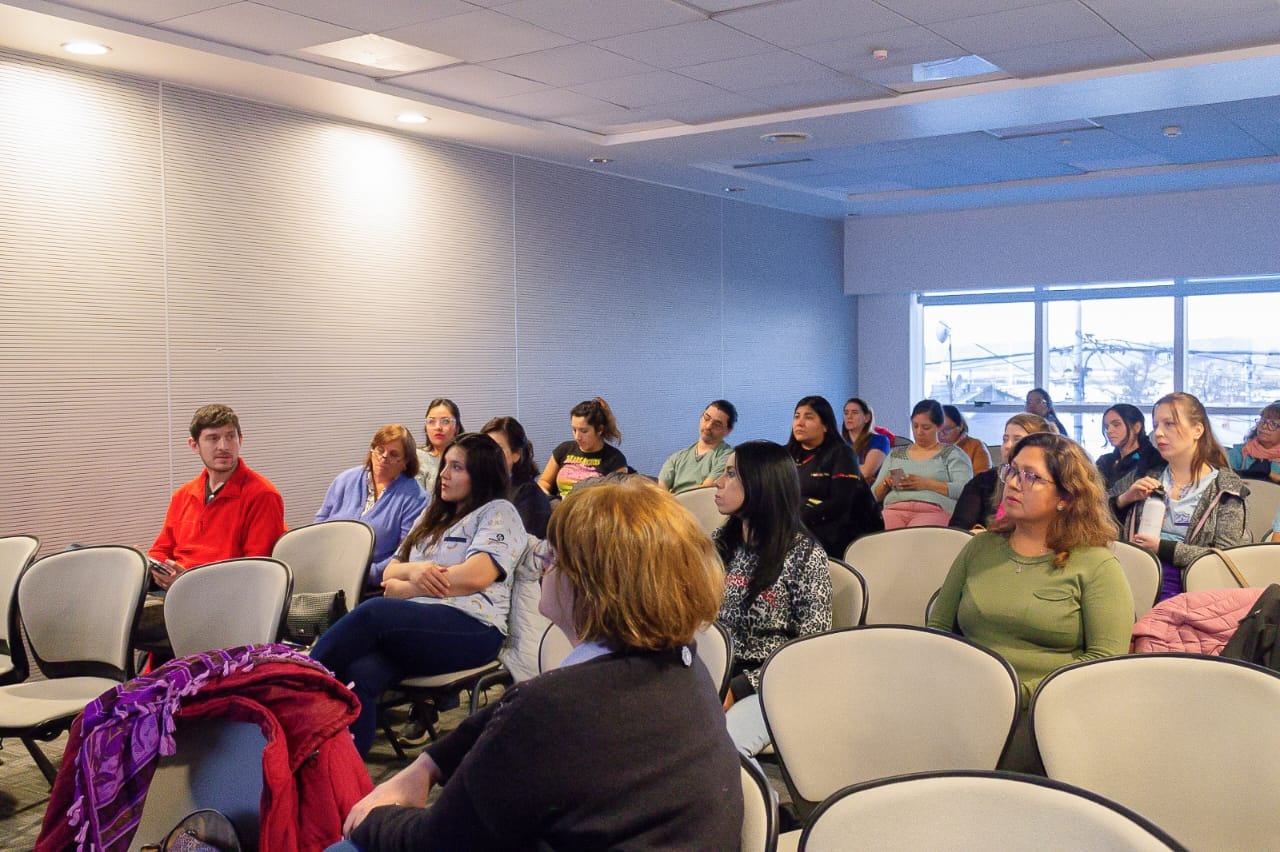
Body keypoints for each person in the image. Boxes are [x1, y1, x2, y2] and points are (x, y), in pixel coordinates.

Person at [337, 477, 741, 850]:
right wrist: (430, 762)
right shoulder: (686, 666)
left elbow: (438, 843)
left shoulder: (556, 708)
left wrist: (374, 819)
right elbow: (513, 709)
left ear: (590, 584)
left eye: (553, 554)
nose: (544, 563)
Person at [311, 434, 528, 756]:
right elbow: (390, 571)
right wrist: (414, 571)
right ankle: (343, 779)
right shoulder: (432, 516)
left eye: (457, 467)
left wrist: (409, 586)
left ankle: (293, 680)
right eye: (445, 466)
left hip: (473, 626)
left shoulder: (498, 512)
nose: (444, 474)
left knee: (374, 612)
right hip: (417, 629)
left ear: (480, 475)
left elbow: (476, 575)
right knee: (358, 676)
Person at [928, 433, 1132, 771]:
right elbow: (938, 628)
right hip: (966, 701)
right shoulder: (979, 548)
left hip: (1047, 711)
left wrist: (1012, 694)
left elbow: (1103, 661)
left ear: (1066, 497)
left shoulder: (1096, 566)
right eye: (1012, 471)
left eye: (1032, 477)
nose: (1014, 484)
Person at [713, 440, 832, 756]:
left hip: (770, 685)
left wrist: (738, 689)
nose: (718, 483)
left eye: (731, 474)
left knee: (723, 750)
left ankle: (761, 805)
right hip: (714, 672)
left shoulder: (804, 556)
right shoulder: (720, 546)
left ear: (761, 484)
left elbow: (810, 650)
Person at [1112, 392, 1249, 602]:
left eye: (1169, 424)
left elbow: (1225, 558)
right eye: (1156, 425)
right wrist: (1124, 500)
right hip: (1133, 580)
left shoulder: (1226, 489)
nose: (1158, 433)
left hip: (1193, 592)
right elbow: (1093, 518)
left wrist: (1163, 548)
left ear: (1197, 430)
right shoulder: (1145, 476)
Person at [149, 403, 285, 588]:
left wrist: (189, 582)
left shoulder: (263, 495)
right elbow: (160, 550)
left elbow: (256, 570)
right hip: (177, 589)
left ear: (240, 440)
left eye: (230, 437)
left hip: (228, 594)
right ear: (194, 445)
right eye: (213, 438)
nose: (224, 446)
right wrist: (157, 568)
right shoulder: (183, 495)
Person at [315, 424, 428, 589]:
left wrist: (367, 574)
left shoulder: (416, 498)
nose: (384, 457)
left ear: (405, 462)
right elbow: (320, 524)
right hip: (326, 570)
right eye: (380, 450)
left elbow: (405, 552)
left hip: (371, 583)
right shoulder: (345, 480)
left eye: (393, 454)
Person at [787, 395, 883, 556]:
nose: (800, 422)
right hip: (800, 526)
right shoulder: (786, 455)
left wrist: (794, 521)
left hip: (840, 529)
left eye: (808, 417)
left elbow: (840, 503)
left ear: (825, 426)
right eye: (797, 416)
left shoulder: (842, 453)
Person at [872, 399, 973, 529]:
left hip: (933, 510)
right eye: (915, 426)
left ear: (939, 426)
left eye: (926, 427)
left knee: (914, 539)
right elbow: (873, 496)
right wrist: (886, 484)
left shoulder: (952, 454)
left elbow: (965, 490)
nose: (919, 432)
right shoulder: (896, 454)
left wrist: (926, 484)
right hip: (894, 509)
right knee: (878, 537)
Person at [950, 413, 1054, 532]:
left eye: (1017, 440)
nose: (1007, 446)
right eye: (1005, 439)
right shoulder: (983, 481)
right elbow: (957, 529)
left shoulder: (1048, 482)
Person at [537, 397, 627, 497]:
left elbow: (616, 498)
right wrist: (546, 498)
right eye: (574, 430)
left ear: (599, 429)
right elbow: (545, 482)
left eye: (584, 431)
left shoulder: (614, 459)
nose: (577, 437)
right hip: (559, 507)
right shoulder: (564, 449)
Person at [480, 416, 551, 538]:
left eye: (497, 448)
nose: (489, 454)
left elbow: (520, 544)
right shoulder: (479, 485)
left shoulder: (529, 495)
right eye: (485, 447)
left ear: (516, 454)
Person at [657, 400, 736, 493]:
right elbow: (661, 489)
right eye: (706, 418)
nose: (708, 426)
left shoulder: (728, 457)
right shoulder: (676, 458)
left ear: (728, 431)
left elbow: (704, 491)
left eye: (717, 424)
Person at [1095, 403, 1162, 490]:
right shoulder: (1105, 461)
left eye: (1116, 425)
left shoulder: (1153, 459)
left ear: (1136, 427)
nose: (1109, 431)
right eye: (1107, 427)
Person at [415, 399, 463, 495]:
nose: (438, 427)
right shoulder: (416, 457)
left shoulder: (466, 459)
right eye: (431, 421)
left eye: (445, 421)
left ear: (457, 428)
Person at [1226, 400, 1280, 483]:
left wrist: (1270, 475)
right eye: (1263, 420)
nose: (1264, 426)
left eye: (1273, 424)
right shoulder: (1241, 451)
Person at [842, 397, 890, 481]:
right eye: (846, 413)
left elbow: (866, 473)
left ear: (867, 418)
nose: (849, 416)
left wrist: (839, 467)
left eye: (855, 413)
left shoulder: (880, 440)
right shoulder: (840, 443)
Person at [940, 404, 993, 474]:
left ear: (960, 426)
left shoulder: (975, 446)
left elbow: (982, 480)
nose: (940, 434)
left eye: (946, 429)